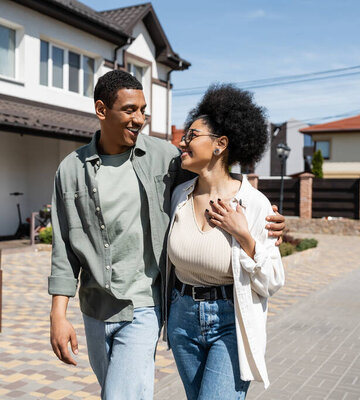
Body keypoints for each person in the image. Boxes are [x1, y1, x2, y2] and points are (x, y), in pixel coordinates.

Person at [48, 71, 286, 399]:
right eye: (130, 110)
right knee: (113, 390)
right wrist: (58, 314)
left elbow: (218, 170)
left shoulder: (164, 159)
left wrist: (265, 221)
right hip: (104, 308)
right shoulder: (71, 170)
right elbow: (63, 247)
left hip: (147, 306)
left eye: (143, 110)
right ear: (102, 111)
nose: (139, 119)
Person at [165, 83, 285, 400]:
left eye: (192, 135)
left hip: (230, 321)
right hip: (181, 320)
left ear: (220, 144)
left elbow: (273, 279)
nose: (182, 141)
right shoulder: (179, 195)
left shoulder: (255, 204)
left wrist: (244, 235)